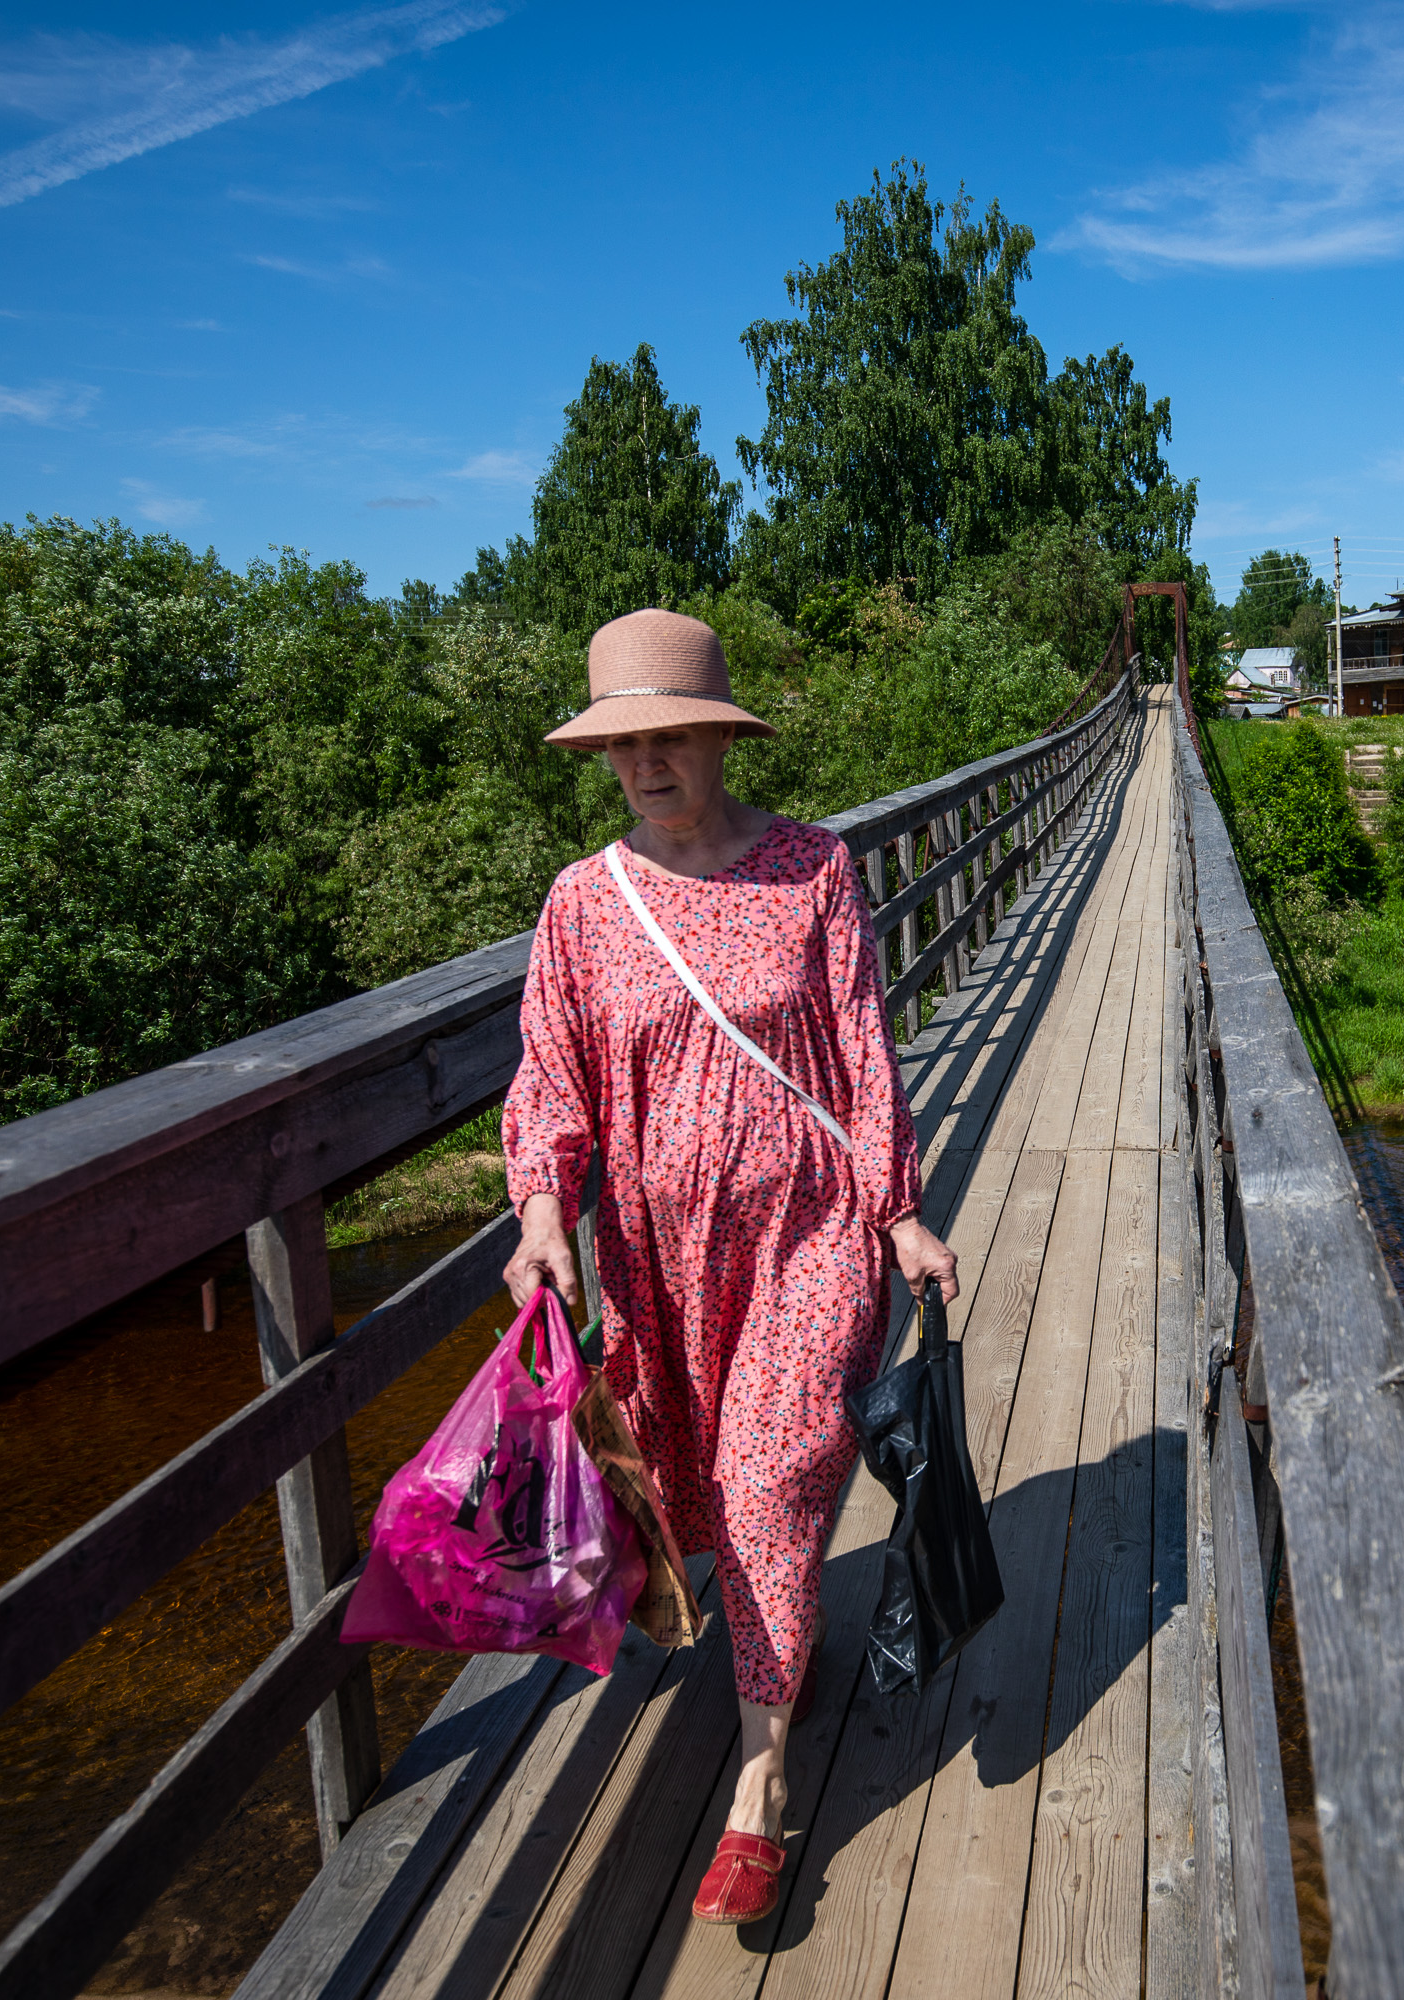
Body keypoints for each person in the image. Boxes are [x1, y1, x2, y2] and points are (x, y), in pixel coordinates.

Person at [499, 607, 957, 1927]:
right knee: (706, 1488)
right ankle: (780, 1643)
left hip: (808, 1236)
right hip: (658, 1258)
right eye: (624, 743)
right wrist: (541, 1216)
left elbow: (864, 1050)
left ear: (718, 736)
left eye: (671, 736)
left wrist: (899, 1210)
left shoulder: (811, 867)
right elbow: (552, 1084)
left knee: (770, 1472)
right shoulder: (585, 903)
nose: (647, 762)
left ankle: (759, 1794)